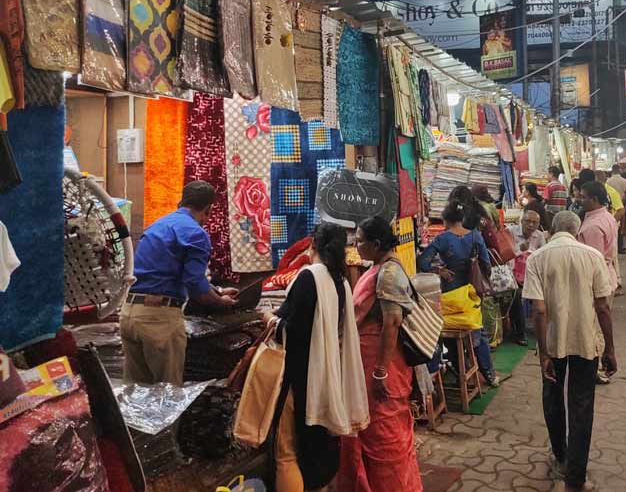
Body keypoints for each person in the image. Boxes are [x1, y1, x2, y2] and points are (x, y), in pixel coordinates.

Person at [262, 223, 370, 492]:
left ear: (313, 246)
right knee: (317, 446)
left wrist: (270, 319)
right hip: (328, 374)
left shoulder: (309, 276)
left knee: (286, 451)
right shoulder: (341, 280)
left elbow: (293, 330)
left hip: (300, 376)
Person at [523, 211, 616, 492]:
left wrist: (543, 355)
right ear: (577, 232)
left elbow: (538, 310)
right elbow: (602, 307)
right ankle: (576, 476)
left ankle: (560, 455)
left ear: (550, 230)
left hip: (552, 343)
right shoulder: (592, 256)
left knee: (552, 397)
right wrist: (610, 348)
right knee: (582, 404)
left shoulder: (537, 258)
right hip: (586, 342)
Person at [121, 181, 238, 385]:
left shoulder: (158, 225)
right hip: (158, 320)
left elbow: (170, 273)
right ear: (208, 209)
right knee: (167, 396)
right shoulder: (196, 233)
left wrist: (217, 290)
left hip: (130, 315)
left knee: (136, 395)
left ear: (181, 202)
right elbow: (195, 286)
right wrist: (221, 302)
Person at [337, 217, 423, 492]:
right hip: (373, 364)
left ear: (375, 244)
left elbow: (392, 322)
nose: (355, 245)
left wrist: (380, 372)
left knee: (385, 438)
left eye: (360, 240)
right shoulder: (379, 268)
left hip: (383, 367)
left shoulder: (388, 273)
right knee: (376, 432)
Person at [416, 202, 499, 387]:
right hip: (471, 293)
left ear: (445, 220)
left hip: (451, 294)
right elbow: (486, 265)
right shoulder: (476, 236)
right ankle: (489, 374)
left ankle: (460, 370)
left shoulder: (442, 239)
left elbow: (423, 261)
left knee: (449, 333)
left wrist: (440, 271)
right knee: (478, 331)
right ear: (462, 219)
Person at [508, 209, 547, 346]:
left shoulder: (540, 236)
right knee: (516, 295)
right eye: (528, 221)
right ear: (521, 221)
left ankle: (543, 330)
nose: (531, 225)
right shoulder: (511, 232)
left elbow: (544, 257)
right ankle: (520, 333)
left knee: (545, 294)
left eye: (534, 222)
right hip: (513, 276)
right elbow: (506, 255)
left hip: (532, 276)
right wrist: (520, 249)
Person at [578, 181, 620, 297]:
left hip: (597, 281)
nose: (580, 201)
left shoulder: (594, 226)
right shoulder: (607, 216)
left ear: (594, 199)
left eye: (583, 197)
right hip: (606, 275)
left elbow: (594, 261)